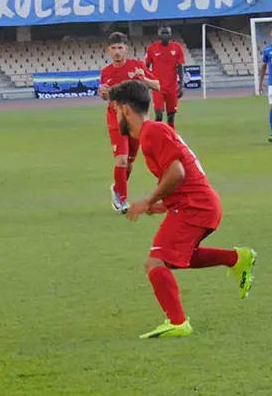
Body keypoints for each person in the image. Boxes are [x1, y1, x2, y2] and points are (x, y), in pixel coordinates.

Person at [109, 80, 256, 338]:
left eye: (115, 110)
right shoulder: (152, 133)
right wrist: (163, 203)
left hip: (195, 207)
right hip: (198, 205)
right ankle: (236, 258)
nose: (115, 116)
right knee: (177, 258)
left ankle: (178, 323)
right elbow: (181, 174)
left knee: (155, 261)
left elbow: (177, 171)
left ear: (126, 110)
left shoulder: (153, 132)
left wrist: (148, 200)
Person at [99, 32, 161, 214]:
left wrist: (144, 79)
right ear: (108, 50)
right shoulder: (106, 72)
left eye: (120, 47)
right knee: (122, 159)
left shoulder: (137, 66)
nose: (117, 52)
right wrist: (103, 93)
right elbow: (106, 96)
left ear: (126, 49)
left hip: (134, 120)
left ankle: (117, 188)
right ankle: (122, 201)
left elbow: (157, 85)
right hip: (116, 118)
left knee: (130, 162)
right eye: (113, 48)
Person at [144, 26, 186, 128]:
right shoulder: (152, 48)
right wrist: (147, 82)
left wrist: (181, 86)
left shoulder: (177, 47)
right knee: (158, 115)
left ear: (170, 34)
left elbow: (180, 67)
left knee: (171, 117)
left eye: (167, 33)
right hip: (157, 87)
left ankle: (171, 138)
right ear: (159, 34)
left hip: (172, 87)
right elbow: (146, 67)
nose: (165, 35)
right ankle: (158, 137)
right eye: (163, 33)